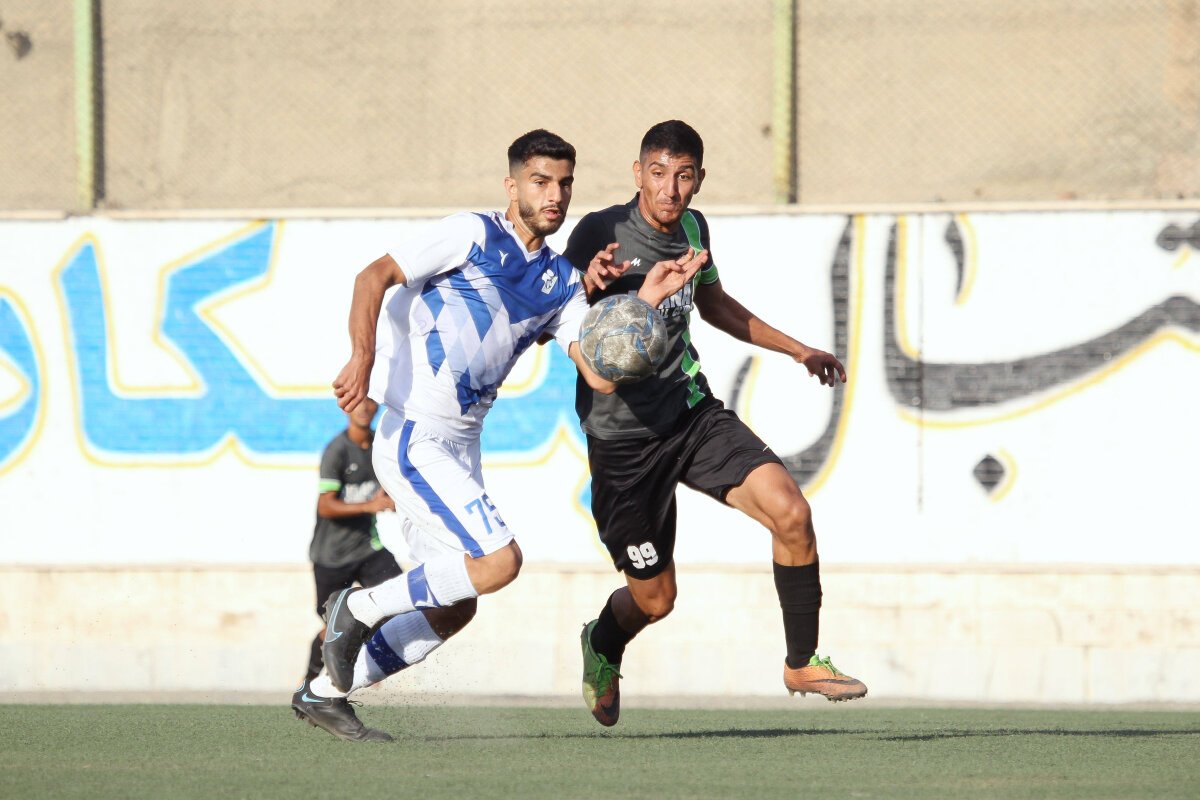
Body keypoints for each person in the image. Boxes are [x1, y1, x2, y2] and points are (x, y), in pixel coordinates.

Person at [290, 128, 706, 742]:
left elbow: (601, 374)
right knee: (499, 562)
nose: (554, 195)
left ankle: (325, 691)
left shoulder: (561, 282)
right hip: (415, 435)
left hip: (460, 448)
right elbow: (373, 277)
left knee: (456, 605)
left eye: (564, 183)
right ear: (512, 186)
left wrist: (642, 303)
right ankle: (357, 608)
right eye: (540, 181)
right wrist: (361, 358)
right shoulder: (471, 234)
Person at [563, 120, 867, 728]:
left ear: (699, 179)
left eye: (683, 176)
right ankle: (603, 640)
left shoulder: (695, 230)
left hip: (690, 414)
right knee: (656, 600)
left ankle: (802, 662)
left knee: (792, 513)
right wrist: (590, 282)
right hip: (623, 444)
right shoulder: (600, 233)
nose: (669, 189)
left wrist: (798, 350)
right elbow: (560, 311)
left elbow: (714, 304)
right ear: (637, 173)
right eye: (658, 173)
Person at [300, 397, 402, 685]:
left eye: (370, 402)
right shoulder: (337, 450)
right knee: (337, 628)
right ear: (346, 407)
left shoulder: (381, 446)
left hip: (368, 548)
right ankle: (309, 683)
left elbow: (390, 487)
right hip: (332, 557)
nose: (364, 408)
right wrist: (370, 506)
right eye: (358, 402)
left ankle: (369, 671)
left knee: (398, 601)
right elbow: (326, 506)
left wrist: (397, 500)